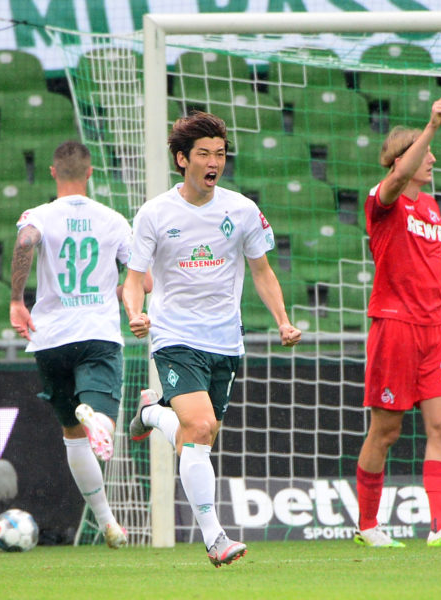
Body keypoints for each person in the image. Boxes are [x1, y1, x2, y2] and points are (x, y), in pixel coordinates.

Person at [122, 111, 302, 567]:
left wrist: (282, 319)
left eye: (220, 154)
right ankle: (215, 539)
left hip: (225, 341)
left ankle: (151, 413)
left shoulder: (241, 210)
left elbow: (262, 271)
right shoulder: (156, 213)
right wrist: (135, 312)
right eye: (203, 153)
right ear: (183, 159)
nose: (213, 162)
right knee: (200, 427)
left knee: (196, 436)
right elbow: (134, 277)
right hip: (174, 337)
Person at [354, 95, 441, 549]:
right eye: (424, 151)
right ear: (403, 158)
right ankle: (369, 527)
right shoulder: (383, 201)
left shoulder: (432, 208)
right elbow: (395, 179)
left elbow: (438, 265)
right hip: (394, 327)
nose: (432, 157)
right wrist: (431, 125)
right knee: (386, 430)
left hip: (435, 331)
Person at [10, 140, 143, 549]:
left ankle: (108, 523)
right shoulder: (113, 219)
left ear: (53, 172)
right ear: (89, 173)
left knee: (73, 437)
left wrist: (17, 300)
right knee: (100, 424)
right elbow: (145, 278)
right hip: (97, 334)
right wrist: (122, 288)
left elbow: (25, 242)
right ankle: (100, 418)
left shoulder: (39, 216)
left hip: (50, 338)